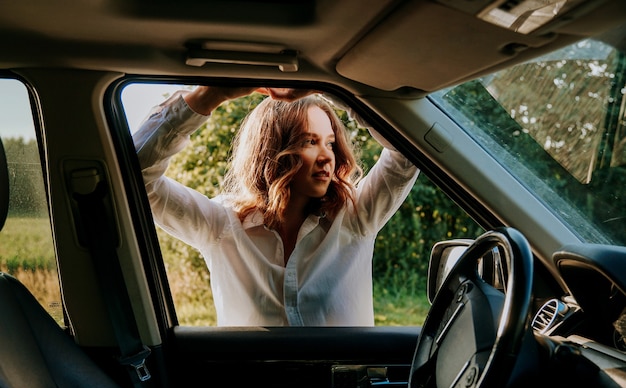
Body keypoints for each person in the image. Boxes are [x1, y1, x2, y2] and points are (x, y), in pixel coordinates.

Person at [133, 86, 419, 326]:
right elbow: (135, 175)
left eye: (330, 143)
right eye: (310, 142)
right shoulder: (221, 224)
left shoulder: (356, 216)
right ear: (272, 150)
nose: (326, 157)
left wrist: (328, 87)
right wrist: (211, 95)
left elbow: (408, 149)